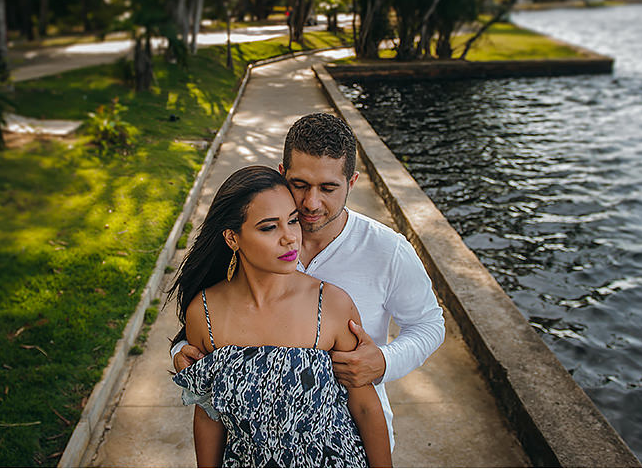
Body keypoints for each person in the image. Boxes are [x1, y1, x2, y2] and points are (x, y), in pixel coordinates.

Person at [174, 113, 446, 450]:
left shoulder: (387, 250)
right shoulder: (257, 234)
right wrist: (181, 352)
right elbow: (214, 312)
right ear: (282, 173)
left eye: (328, 188)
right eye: (300, 185)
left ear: (352, 182)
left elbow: (429, 324)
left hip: (355, 437)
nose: (310, 203)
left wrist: (384, 362)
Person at [167, 165, 392, 468]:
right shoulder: (204, 313)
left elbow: (364, 407)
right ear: (233, 238)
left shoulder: (333, 305)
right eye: (269, 227)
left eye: (293, 220)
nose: (289, 238)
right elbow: (210, 413)